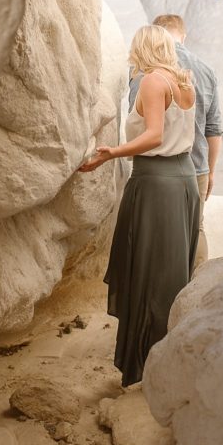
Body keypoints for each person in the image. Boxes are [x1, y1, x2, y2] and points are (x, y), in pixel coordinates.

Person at [79, 24, 200, 387]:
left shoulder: (151, 81)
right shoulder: (184, 82)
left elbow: (154, 135)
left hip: (156, 183)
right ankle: (166, 360)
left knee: (151, 277)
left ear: (141, 48)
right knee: (172, 274)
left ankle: (150, 366)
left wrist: (110, 154)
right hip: (183, 180)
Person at [129, 14, 222, 267]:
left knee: (157, 236)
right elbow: (213, 129)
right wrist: (211, 171)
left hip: (158, 169)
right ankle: (195, 291)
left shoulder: (144, 72)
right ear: (183, 35)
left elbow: (142, 123)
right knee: (196, 229)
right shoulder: (204, 70)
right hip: (196, 166)